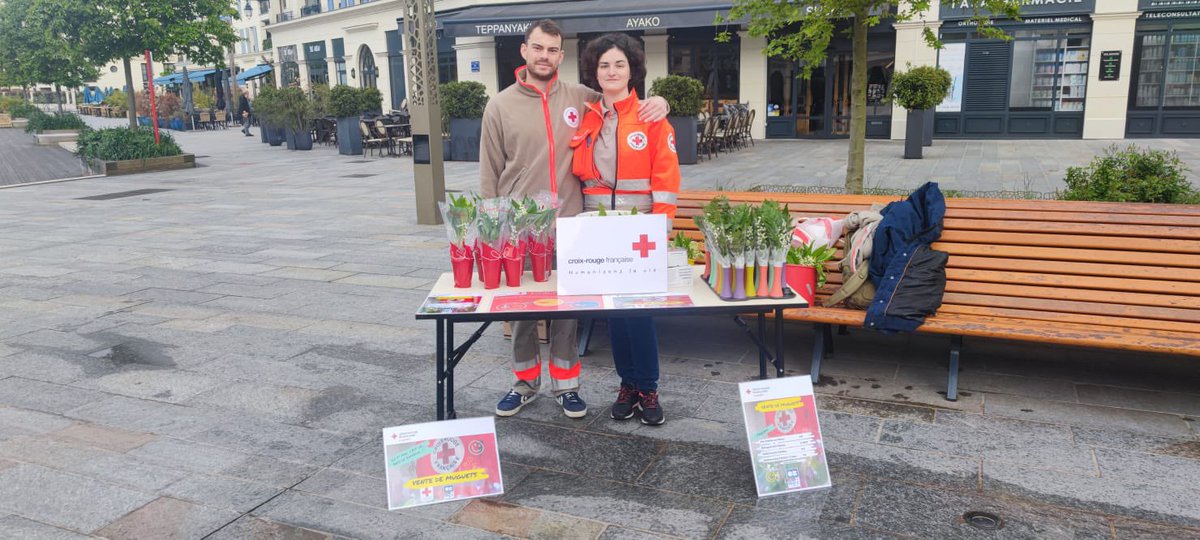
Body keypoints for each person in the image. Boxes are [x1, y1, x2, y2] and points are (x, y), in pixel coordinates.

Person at [479, 19, 670, 419]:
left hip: (572, 224)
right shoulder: (499, 105)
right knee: (523, 311)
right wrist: (491, 234)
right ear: (524, 50)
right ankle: (525, 382)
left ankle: (567, 386)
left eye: (552, 50)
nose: (544, 56)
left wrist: (662, 101)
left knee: (568, 309)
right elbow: (489, 174)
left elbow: (621, 100)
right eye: (538, 48)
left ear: (561, 56)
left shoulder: (580, 98)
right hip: (520, 227)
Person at [569, 33, 680, 425]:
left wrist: (661, 228)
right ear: (594, 73)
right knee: (613, 313)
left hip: (640, 232)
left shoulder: (651, 116)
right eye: (604, 65)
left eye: (619, 64)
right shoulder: (588, 115)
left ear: (632, 69)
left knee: (641, 313)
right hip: (598, 229)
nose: (611, 71)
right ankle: (626, 384)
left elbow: (666, 178)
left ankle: (647, 386)